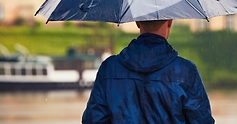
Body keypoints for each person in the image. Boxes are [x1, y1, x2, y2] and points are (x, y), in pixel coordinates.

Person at [82, 19, 215, 124]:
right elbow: (202, 120)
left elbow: (93, 120)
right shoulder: (186, 71)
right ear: (169, 22)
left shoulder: (109, 69)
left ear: (137, 22)